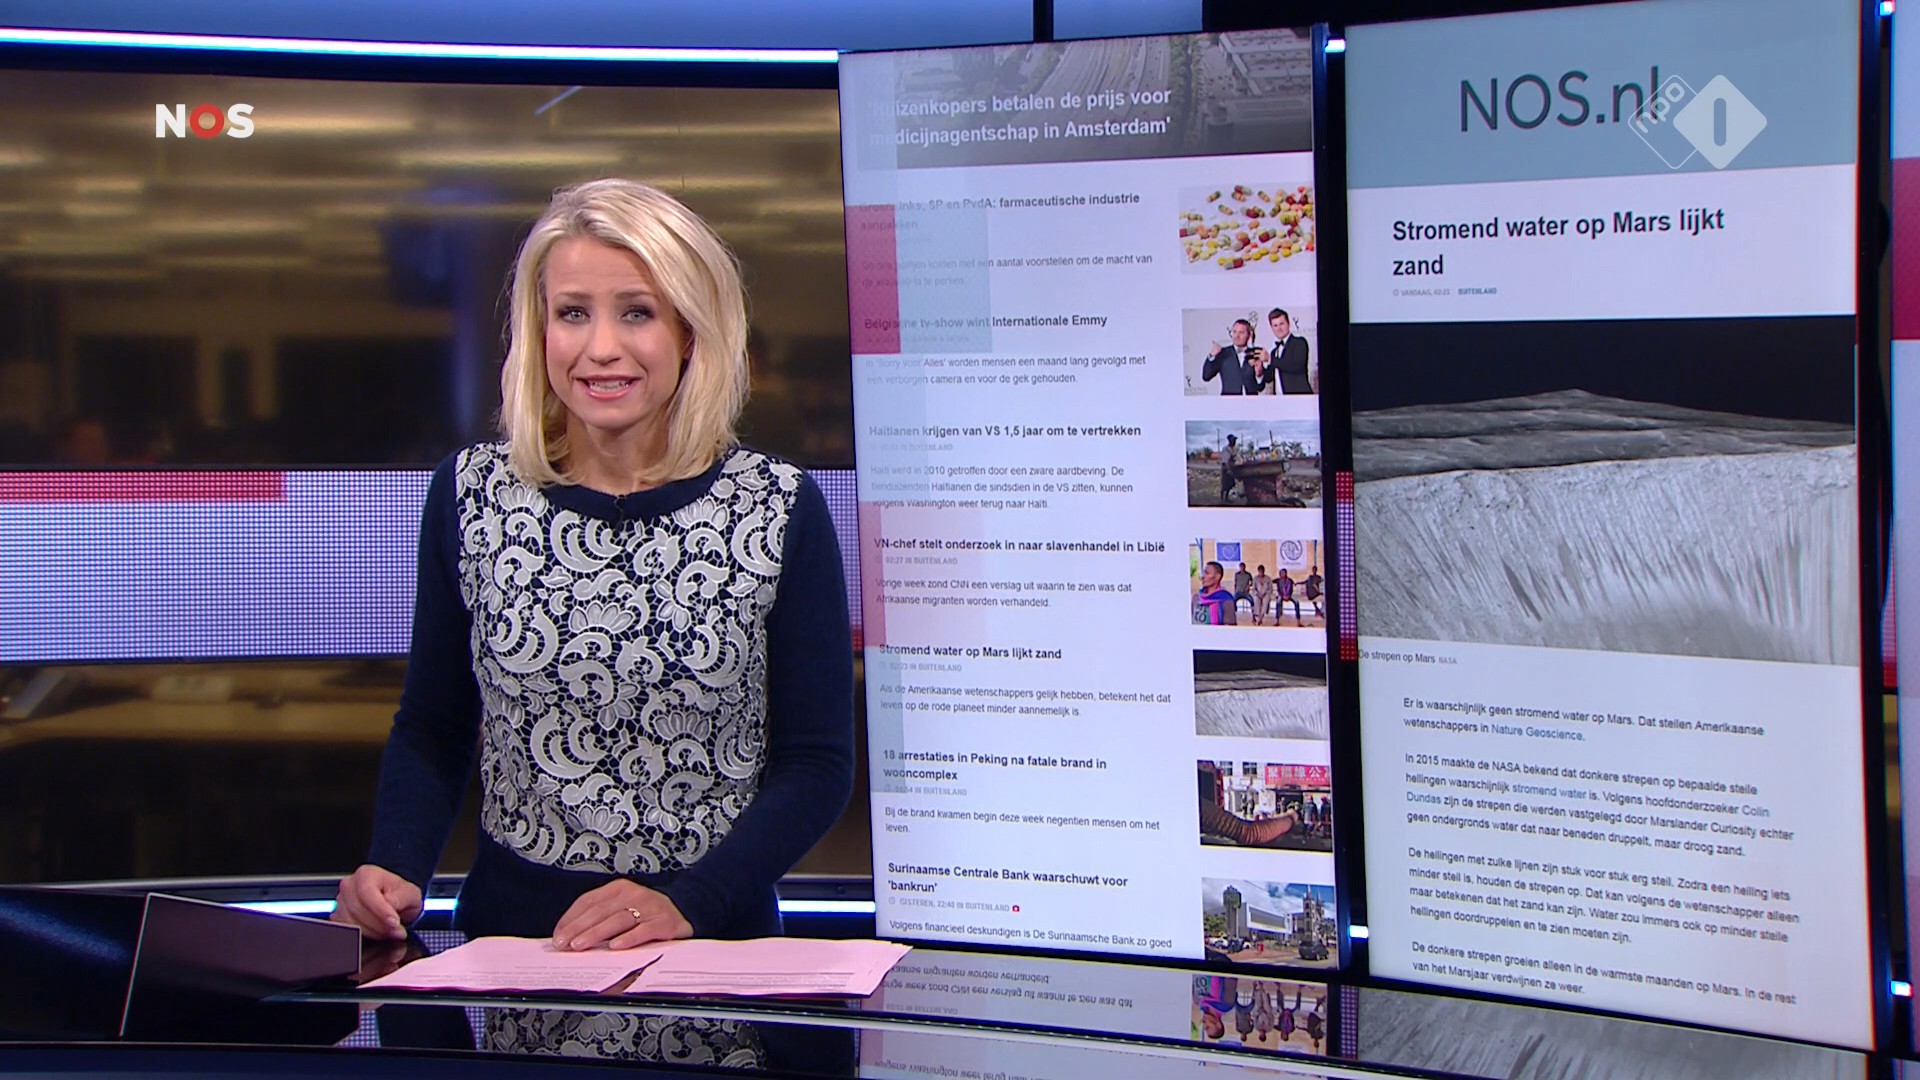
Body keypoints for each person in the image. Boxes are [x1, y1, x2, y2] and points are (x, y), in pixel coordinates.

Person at [332, 179, 855, 953]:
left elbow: (816, 766)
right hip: (514, 945)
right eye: (573, 313)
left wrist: (688, 902)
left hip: (710, 947)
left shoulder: (776, 507)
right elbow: (435, 725)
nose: (600, 347)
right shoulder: (471, 494)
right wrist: (395, 864)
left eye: (636, 312)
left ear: (689, 331)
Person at [1200, 320, 1262, 394]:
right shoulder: (1223, 353)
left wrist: (1260, 375)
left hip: (1252, 400)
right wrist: (1211, 356)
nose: (1237, 336)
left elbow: (1261, 386)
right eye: (1234, 332)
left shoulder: (1256, 354)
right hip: (1228, 400)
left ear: (1249, 335)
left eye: (1241, 332)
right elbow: (1206, 376)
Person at [1268, 308, 1312, 395]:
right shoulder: (1274, 352)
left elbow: (1297, 366)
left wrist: (1270, 360)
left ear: (1288, 324)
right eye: (1275, 325)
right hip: (1279, 400)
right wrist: (1259, 370)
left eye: (1281, 324)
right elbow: (1269, 378)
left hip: (1299, 397)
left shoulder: (1299, 342)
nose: (1279, 328)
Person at [1193, 560, 1237, 625]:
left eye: (1207, 573)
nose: (1203, 577)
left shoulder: (1226, 600)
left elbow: (1230, 628)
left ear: (1217, 577)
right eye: (1203, 573)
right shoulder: (1196, 597)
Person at [1218, 433, 1241, 504]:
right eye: (1233, 440)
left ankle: (1226, 498)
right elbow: (1225, 461)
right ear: (1229, 441)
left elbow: (1237, 457)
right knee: (1225, 484)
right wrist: (1228, 470)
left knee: (1230, 485)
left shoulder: (1233, 449)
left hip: (1231, 467)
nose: (1234, 442)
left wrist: (1240, 462)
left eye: (1235, 440)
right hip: (1226, 468)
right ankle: (1222, 499)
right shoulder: (1225, 449)